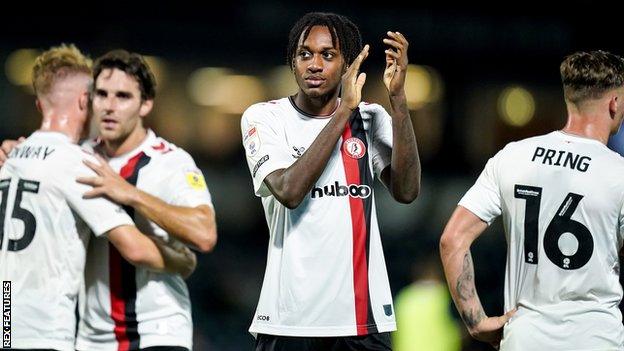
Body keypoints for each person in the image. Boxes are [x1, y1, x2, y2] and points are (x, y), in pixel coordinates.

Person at [240, 12, 421, 351]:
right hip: (288, 322)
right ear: (292, 63)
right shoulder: (265, 117)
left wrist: (397, 100)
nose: (314, 64)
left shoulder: (370, 118)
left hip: (361, 319)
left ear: (348, 64)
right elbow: (289, 191)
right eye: (304, 54)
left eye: (328, 54)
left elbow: (407, 191)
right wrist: (343, 112)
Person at [0, 44, 195, 351]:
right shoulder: (77, 163)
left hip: (6, 328)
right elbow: (135, 248)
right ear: (84, 101)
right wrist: (181, 261)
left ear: (39, 104)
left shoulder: (10, 158)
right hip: (44, 332)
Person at [439, 50, 624, 350]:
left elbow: (452, 240)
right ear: (615, 103)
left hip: (525, 337)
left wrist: (477, 322)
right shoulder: (618, 173)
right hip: (596, 338)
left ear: (569, 98)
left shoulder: (513, 156)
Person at [71, 49, 217, 351]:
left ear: (145, 104)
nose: (109, 106)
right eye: (102, 94)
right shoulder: (76, 158)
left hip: (159, 330)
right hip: (91, 339)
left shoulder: (171, 162)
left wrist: (132, 193)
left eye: (123, 96)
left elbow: (205, 235)